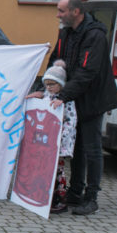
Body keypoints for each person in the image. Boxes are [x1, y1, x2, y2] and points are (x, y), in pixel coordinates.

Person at [45, 0, 117, 215]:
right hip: (74, 97)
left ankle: (91, 197)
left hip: (93, 99)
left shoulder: (95, 35)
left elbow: (87, 72)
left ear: (75, 12)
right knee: (76, 147)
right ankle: (75, 192)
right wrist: (45, 87)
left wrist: (64, 94)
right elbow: (56, 60)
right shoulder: (65, 32)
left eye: (61, 10)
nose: (57, 15)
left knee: (92, 148)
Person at [25, 60, 77, 213]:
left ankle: (60, 199)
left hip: (59, 143)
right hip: (45, 143)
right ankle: (43, 196)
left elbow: (71, 121)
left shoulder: (66, 101)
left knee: (58, 170)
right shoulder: (47, 96)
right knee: (45, 168)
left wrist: (60, 135)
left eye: (52, 84)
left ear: (60, 84)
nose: (49, 87)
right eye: (46, 84)